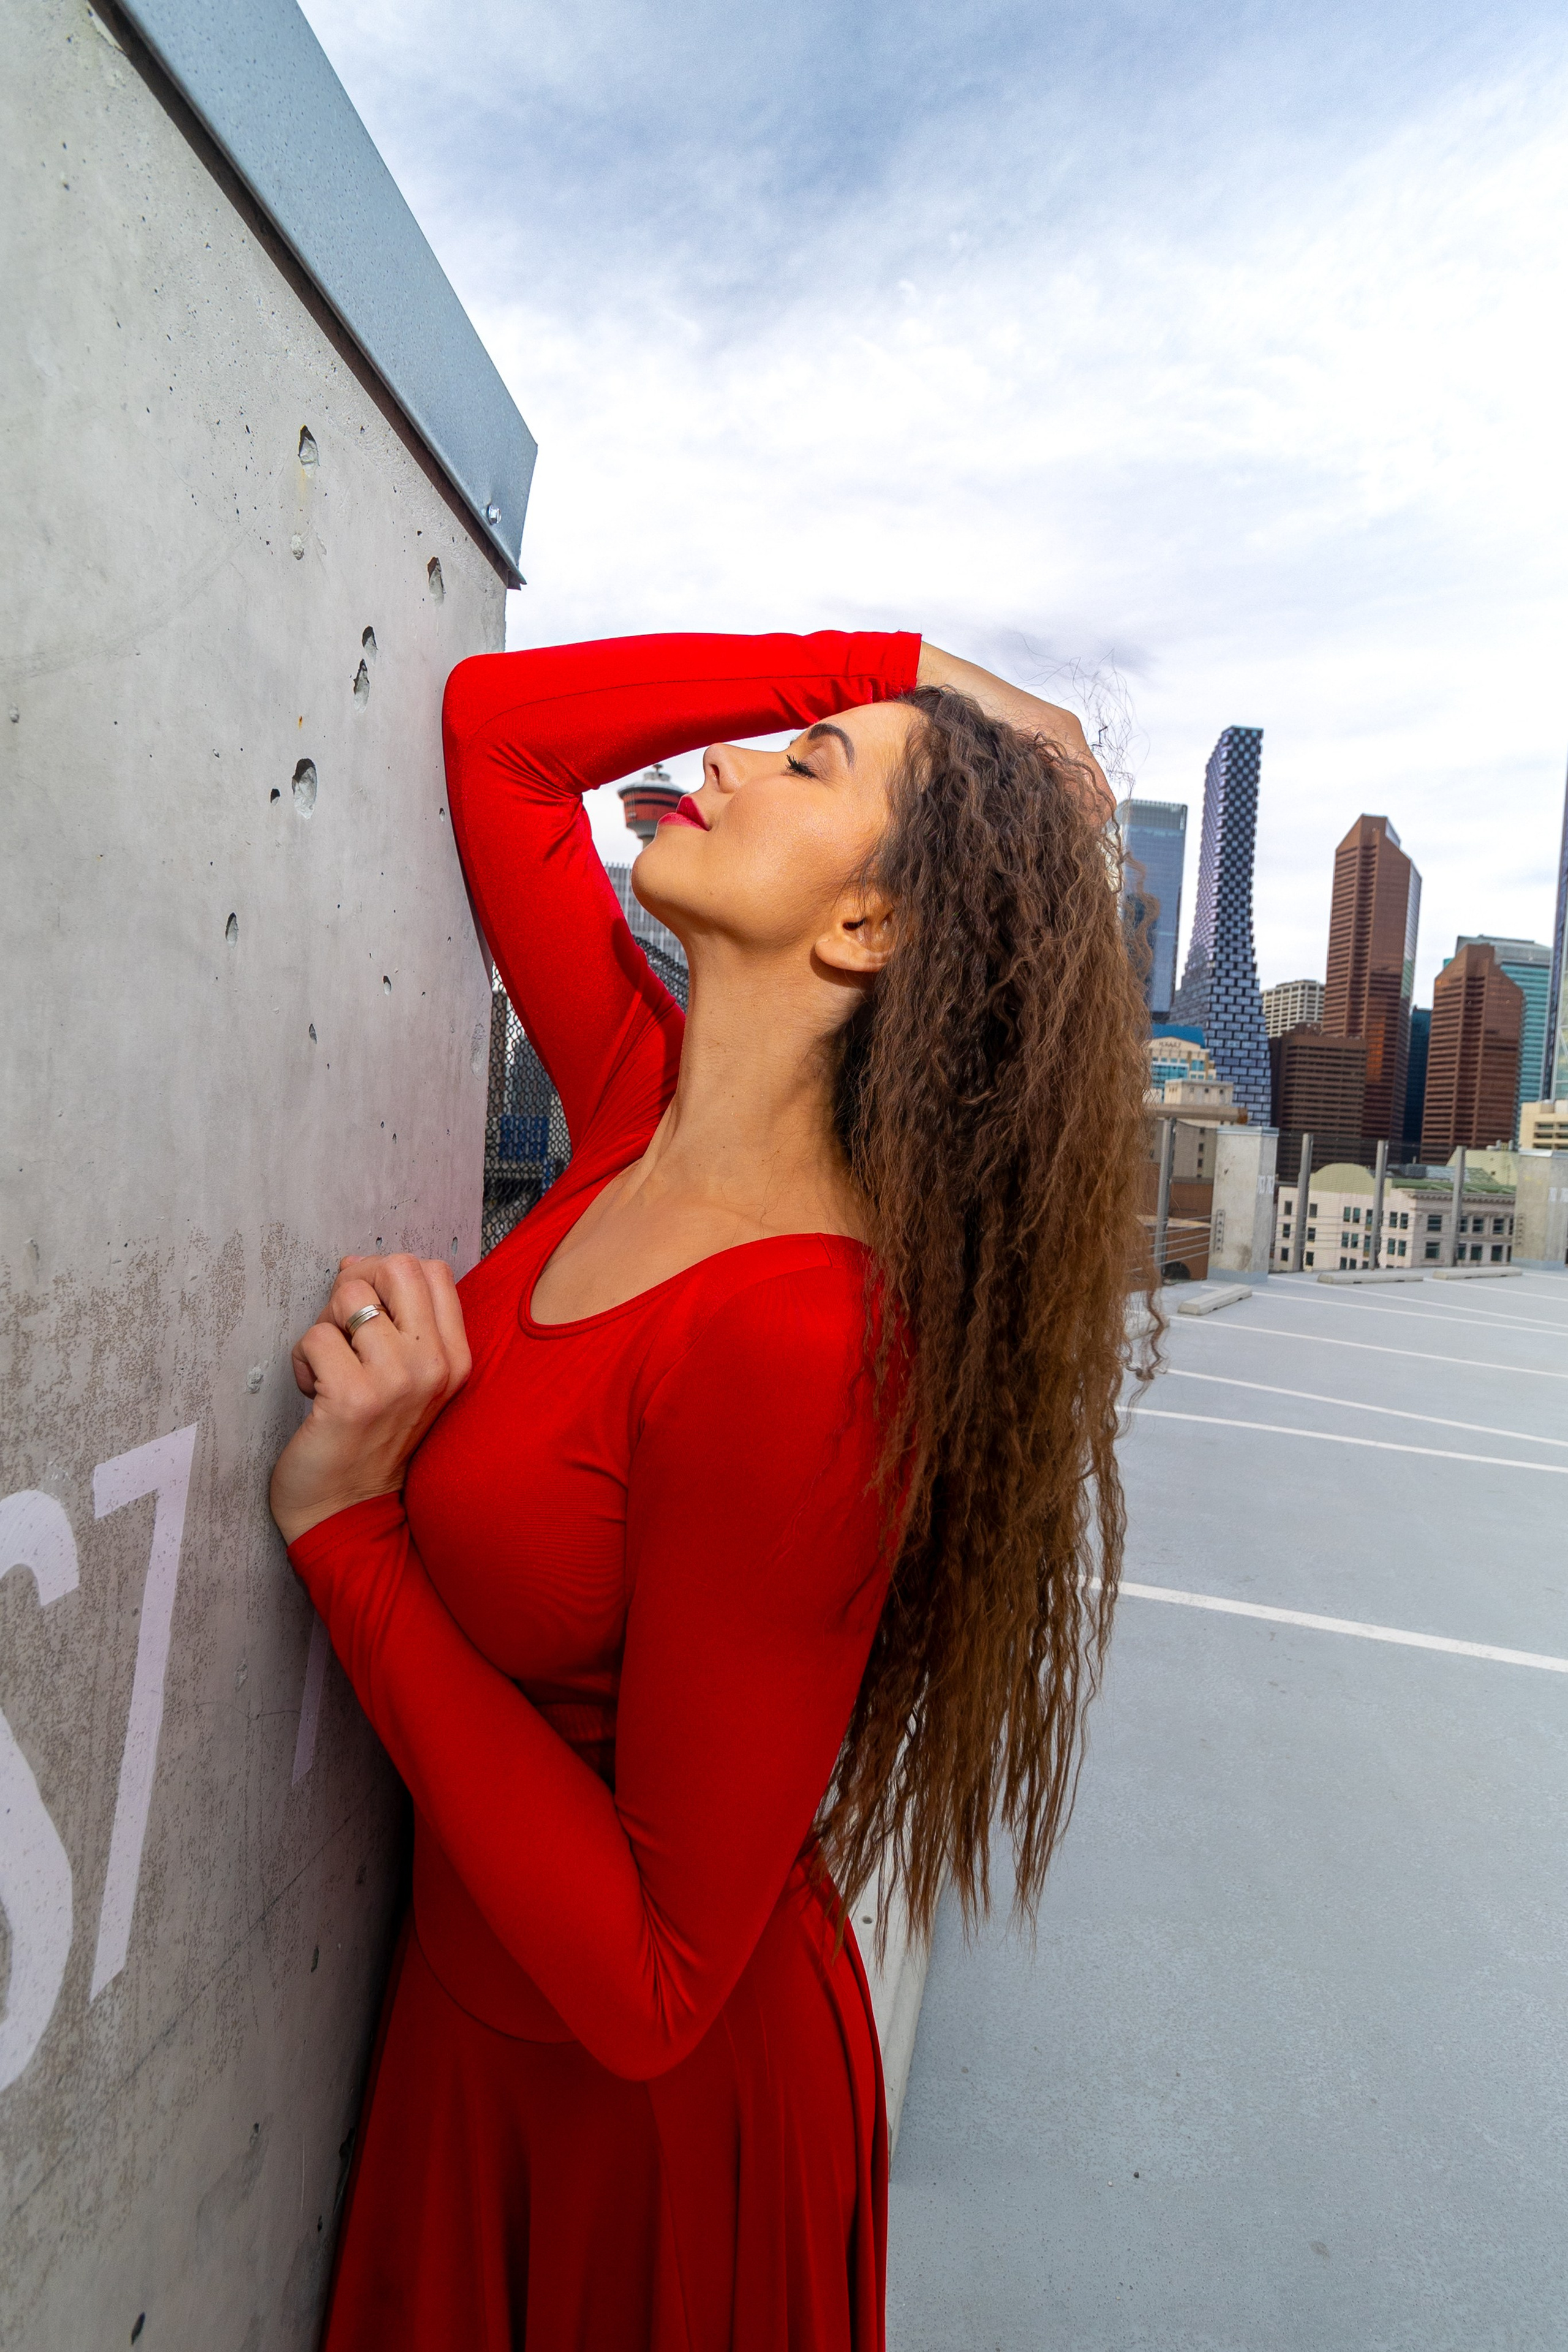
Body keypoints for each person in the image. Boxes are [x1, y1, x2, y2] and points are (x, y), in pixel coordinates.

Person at [270, 628, 1150, 2350]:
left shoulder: (808, 1343)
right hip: (470, 2060)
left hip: (650, 2156)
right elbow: (501, 738)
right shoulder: (629, 1110)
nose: (732, 761)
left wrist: (348, 1532)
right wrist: (897, 665)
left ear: (869, 928)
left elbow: (659, 1981)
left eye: (809, 765)